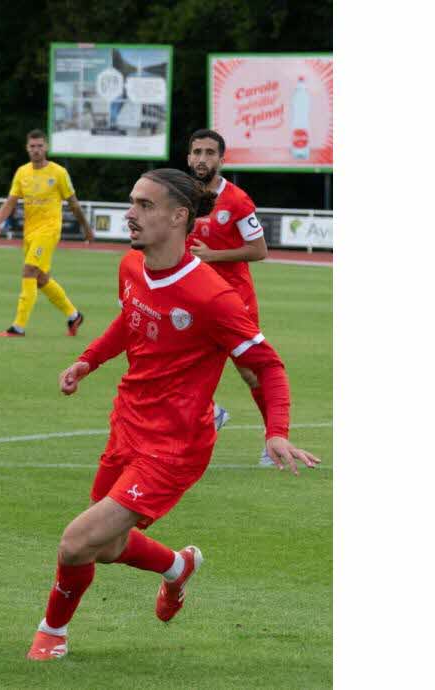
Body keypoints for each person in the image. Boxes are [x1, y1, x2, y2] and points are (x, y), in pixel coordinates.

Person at [24, 168, 319, 662]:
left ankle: (51, 635)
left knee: (77, 542)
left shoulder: (212, 296)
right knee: (107, 544)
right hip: (127, 424)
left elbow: (267, 366)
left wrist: (277, 433)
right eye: (132, 203)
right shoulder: (131, 267)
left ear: (179, 217)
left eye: (144, 205)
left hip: (174, 448)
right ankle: (177, 567)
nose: (130, 214)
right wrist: (88, 359)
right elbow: (130, 317)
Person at [185, 129, 272, 464]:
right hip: (194, 298)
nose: (202, 159)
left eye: (209, 153)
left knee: (250, 372)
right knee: (172, 364)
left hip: (235, 300)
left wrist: (213, 257)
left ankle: (272, 439)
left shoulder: (237, 200)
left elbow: (259, 250)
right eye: (197, 152)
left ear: (222, 159)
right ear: (189, 157)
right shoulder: (182, 195)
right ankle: (212, 414)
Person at [0, 129, 94, 337]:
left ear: (46, 147)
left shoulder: (58, 173)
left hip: (49, 231)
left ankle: (18, 327)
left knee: (28, 271)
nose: (36, 150)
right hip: (30, 233)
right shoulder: (22, 172)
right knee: (41, 279)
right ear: (27, 148)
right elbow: (10, 201)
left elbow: (73, 203)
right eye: (32, 146)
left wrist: (86, 227)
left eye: (39, 146)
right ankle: (74, 315)